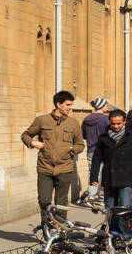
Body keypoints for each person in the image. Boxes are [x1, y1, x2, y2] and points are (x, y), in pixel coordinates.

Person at [21, 90, 85, 219]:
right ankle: (47, 229)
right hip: (45, 167)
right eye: (68, 105)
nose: (70, 108)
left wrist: (72, 149)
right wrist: (33, 143)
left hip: (65, 167)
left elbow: (80, 145)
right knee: (44, 200)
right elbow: (25, 135)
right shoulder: (41, 120)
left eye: (71, 105)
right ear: (58, 104)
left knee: (61, 203)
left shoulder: (73, 123)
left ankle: (60, 232)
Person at [89, 108, 132, 240]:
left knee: (125, 209)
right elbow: (97, 158)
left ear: (124, 122)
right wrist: (93, 177)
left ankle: (125, 236)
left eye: (119, 123)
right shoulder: (103, 138)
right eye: (113, 123)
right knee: (110, 209)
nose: (116, 126)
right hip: (109, 178)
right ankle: (113, 234)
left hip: (126, 178)